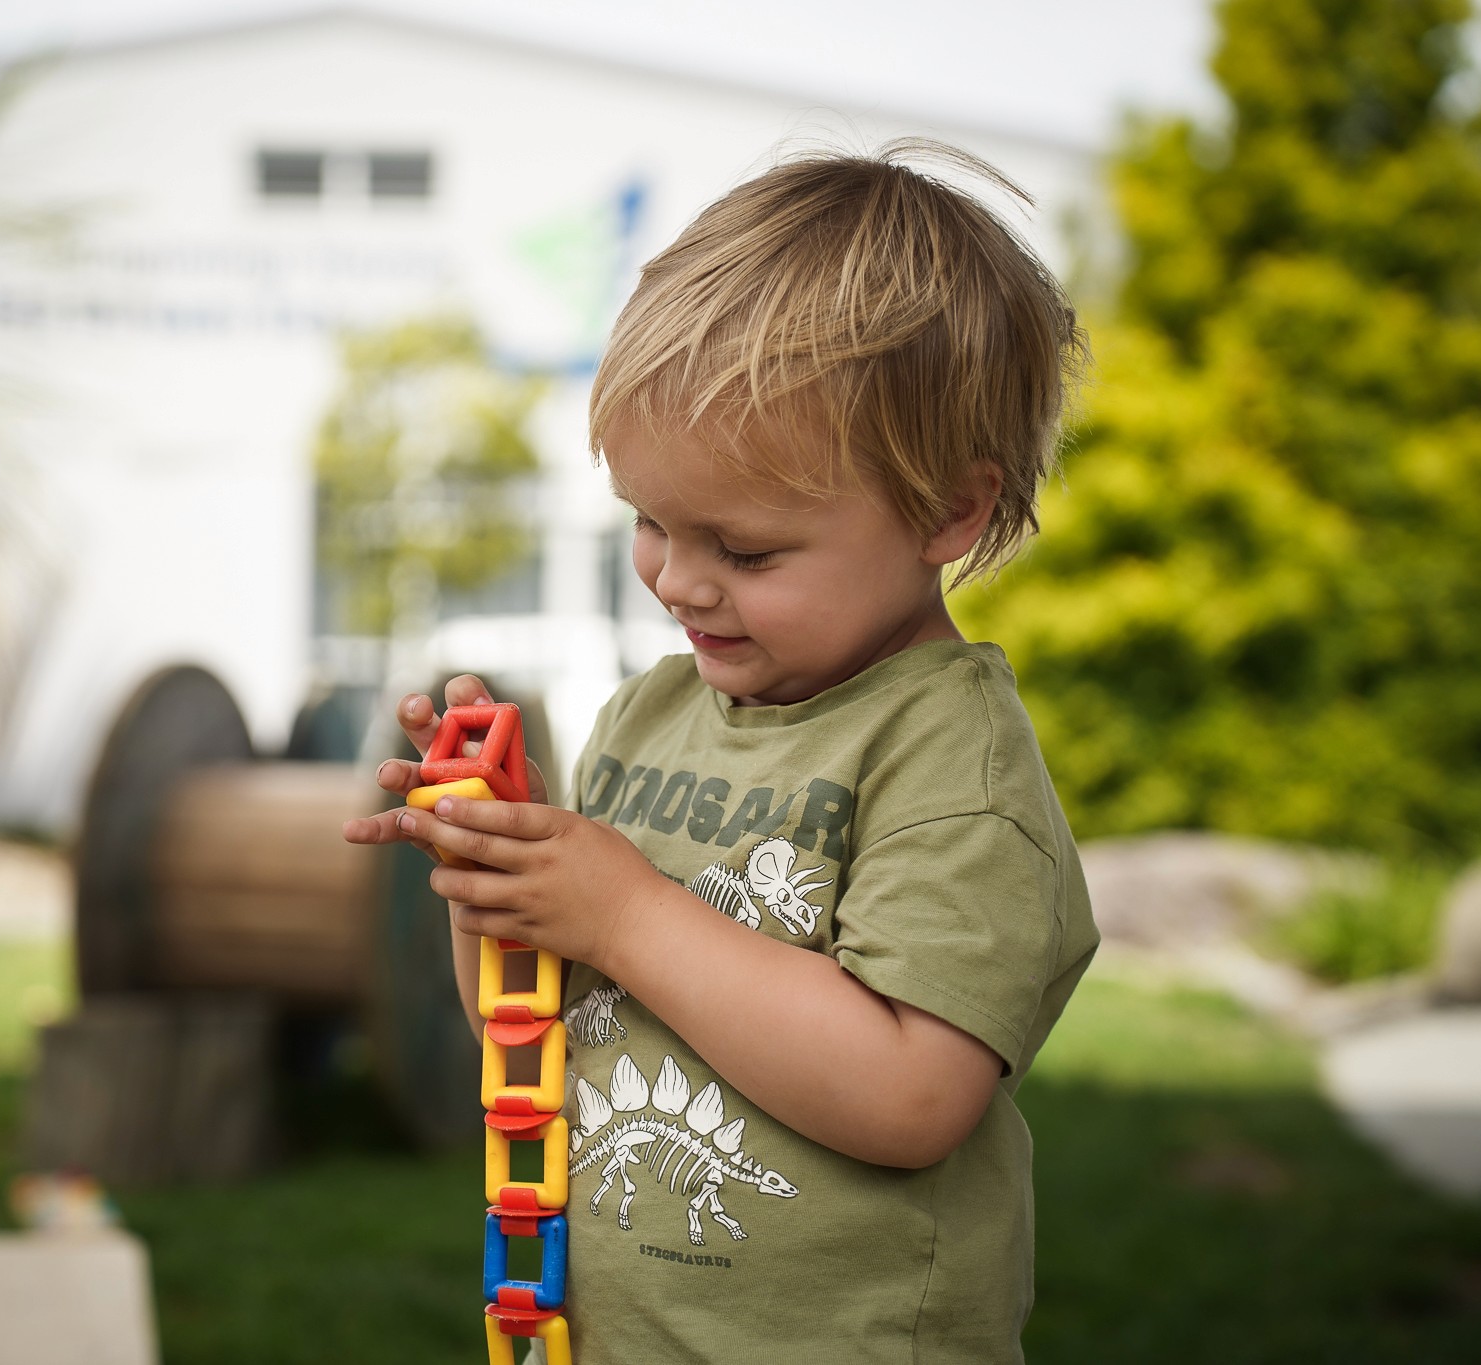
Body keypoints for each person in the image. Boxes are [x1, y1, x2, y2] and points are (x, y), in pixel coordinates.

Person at [343, 141, 1099, 1365]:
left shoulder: (948, 765)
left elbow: (912, 1096)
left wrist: (622, 912)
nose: (678, 580)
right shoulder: (650, 717)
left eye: (744, 550)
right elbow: (525, 1024)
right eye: (648, 520)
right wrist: (494, 869)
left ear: (948, 513)